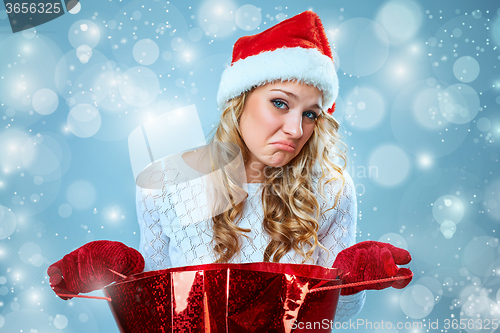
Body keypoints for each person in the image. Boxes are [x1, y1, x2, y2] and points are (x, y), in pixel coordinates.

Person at [48, 10, 412, 325]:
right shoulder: (167, 181)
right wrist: (117, 276)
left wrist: (350, 280)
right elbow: (163, 306)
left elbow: (334, 316)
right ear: (239, 100)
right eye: (280, 104)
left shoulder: (331, 186)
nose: (296, 130)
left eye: (311, 114)